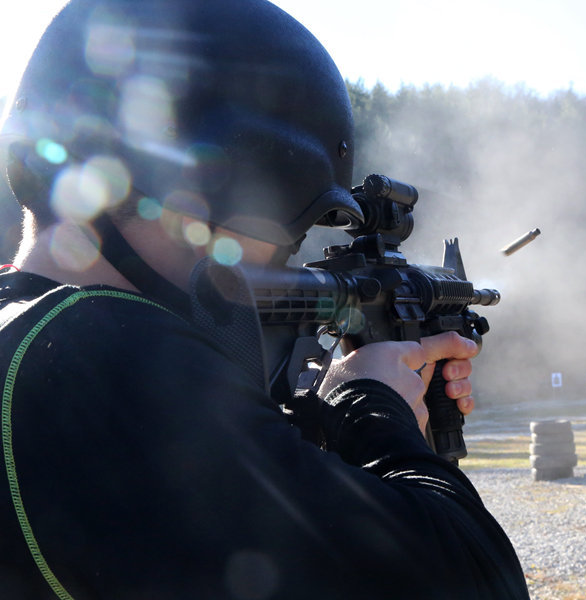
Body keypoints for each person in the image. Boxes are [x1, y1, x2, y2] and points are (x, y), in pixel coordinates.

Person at [0, 1, 530, 598]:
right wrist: (373, 411)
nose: (287, 256)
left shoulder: (33, 334)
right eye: (286, 233)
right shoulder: (105, 354)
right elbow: (477, 581)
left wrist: (327, 422)